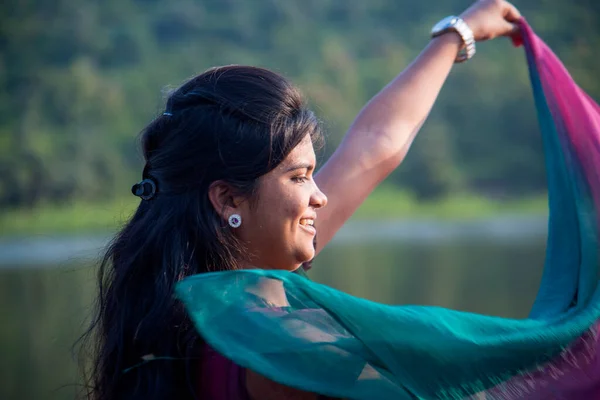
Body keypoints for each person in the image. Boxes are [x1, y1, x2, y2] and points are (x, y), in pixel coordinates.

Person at [80, 1, 524, 399]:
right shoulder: (279, 343)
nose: (321, 196)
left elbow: (374, 144)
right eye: (300, 177)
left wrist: (457, 35)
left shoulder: (205, 295)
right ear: (229, 200)